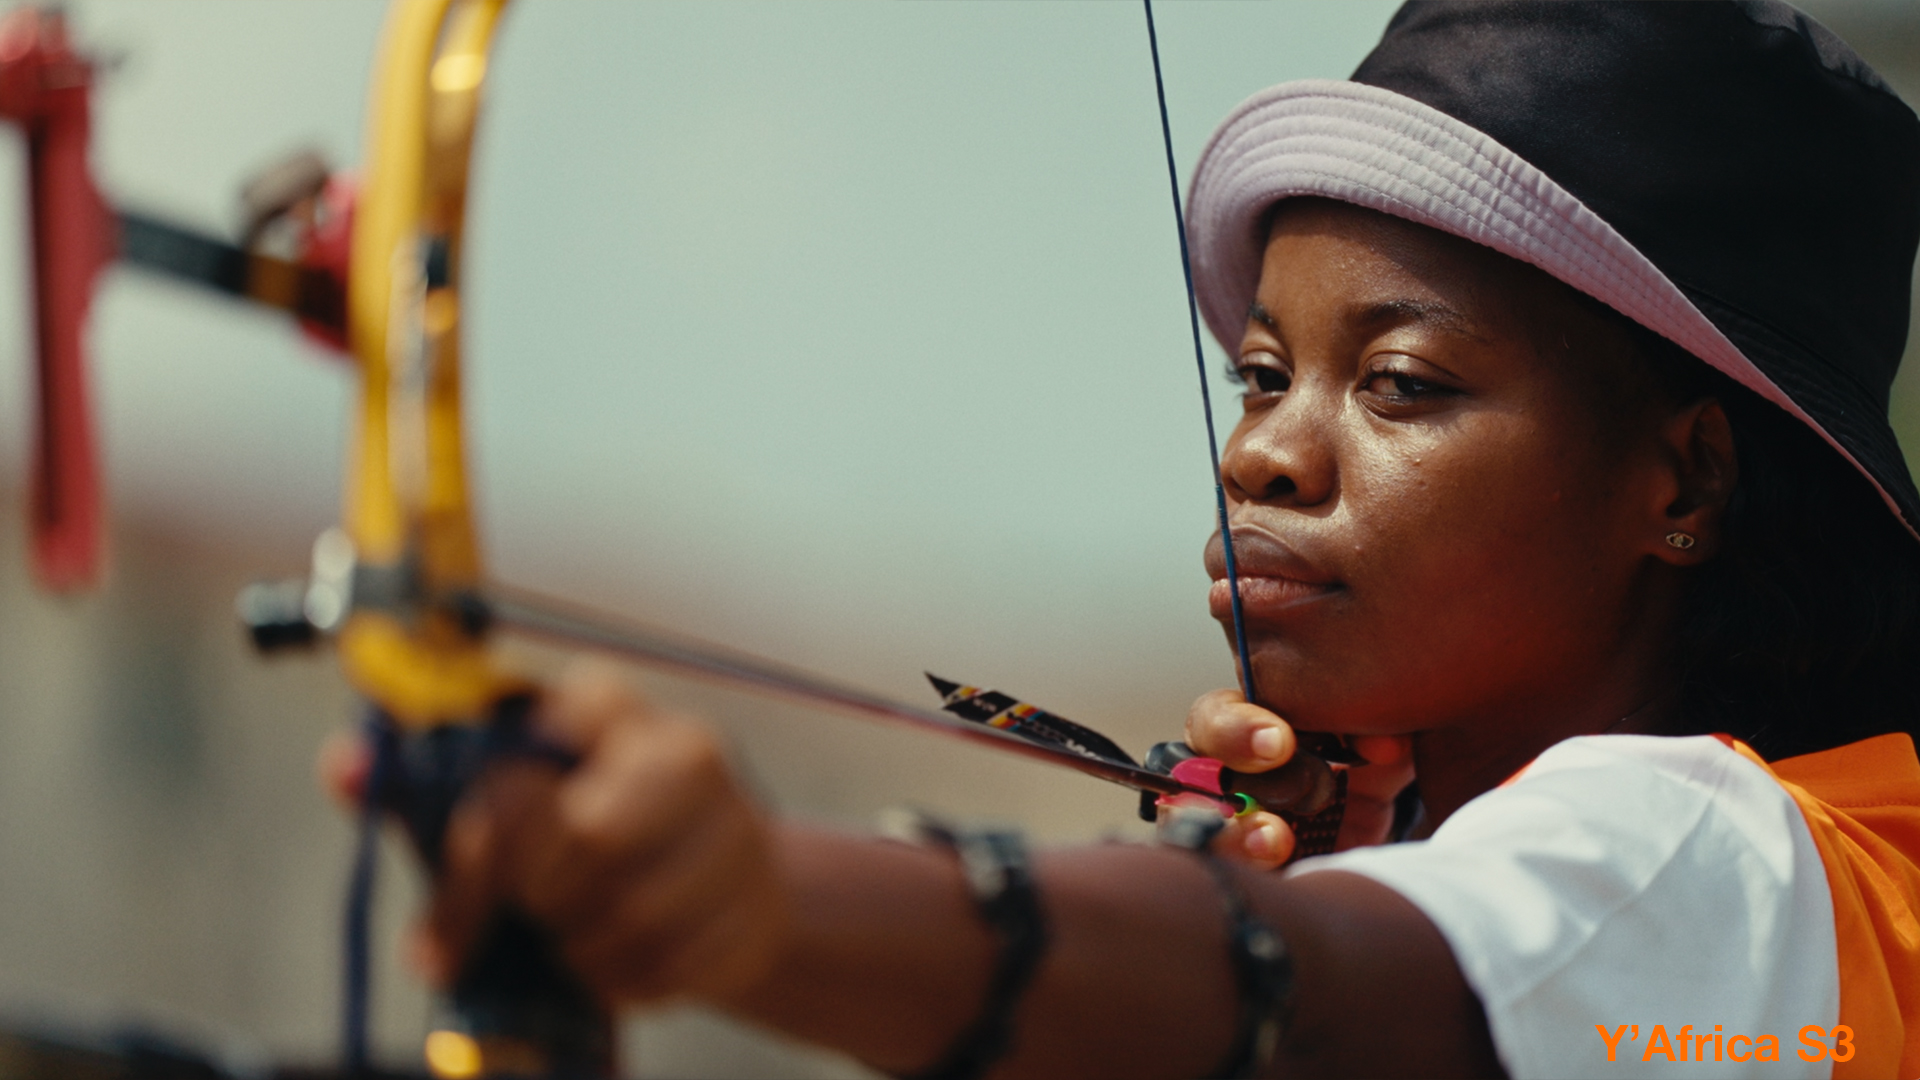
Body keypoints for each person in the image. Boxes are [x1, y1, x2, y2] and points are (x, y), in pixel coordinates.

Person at [335, 4, 1920, 1077]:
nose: (1266, 451)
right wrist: (1379, 865)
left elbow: (1275, 983)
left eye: (1401, 384)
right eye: (1263, 374)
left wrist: (763, 899)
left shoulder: (1702, 859)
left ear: (1685, 487)